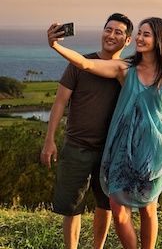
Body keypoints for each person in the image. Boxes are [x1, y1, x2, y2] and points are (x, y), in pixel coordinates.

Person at [47, 17, 162, 249]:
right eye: (139, 33)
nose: (140, 38)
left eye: (146, 34)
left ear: (160, 39)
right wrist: (56, 46)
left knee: (148, 209)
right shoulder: (126, 68)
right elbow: (86, 64)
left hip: (156, 153)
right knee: (119, 212)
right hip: (123, 151)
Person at [41, 13, 134, 249]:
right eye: (108, 29)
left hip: (109, 152)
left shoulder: (128, 72)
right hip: (76, 147)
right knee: (72, 208)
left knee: (105, 206)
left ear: (128, 41)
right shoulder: (79, 64)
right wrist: (49, 140)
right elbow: (59, 103)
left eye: (118, 32)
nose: (111, 35)